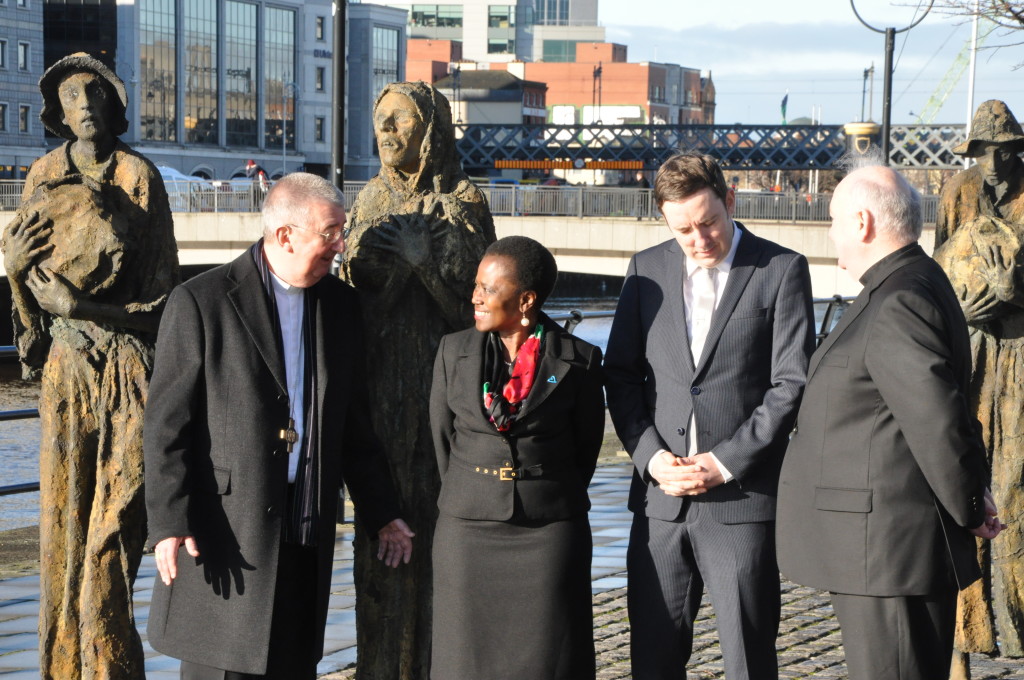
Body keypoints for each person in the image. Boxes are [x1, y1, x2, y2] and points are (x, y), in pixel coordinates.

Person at [143, 172, 414, 680]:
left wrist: (383, 511)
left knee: (293, 664)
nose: (341, 245)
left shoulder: (340, 305)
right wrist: (169, 523)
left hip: (305, 525)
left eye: (343, 231)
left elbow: (353, 425)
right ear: (286, 235)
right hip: (224, 532)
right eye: (330, 233)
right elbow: (166, 426)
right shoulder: (202, 300)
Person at [776, 163, 1006, 680]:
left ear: (861, 222)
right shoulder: (912, 282)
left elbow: (937, 419)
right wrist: (971, 489)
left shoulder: (899, 298)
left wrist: (969, 504)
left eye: (832, 219)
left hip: (888, 552)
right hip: (884, 549)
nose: (829, 232)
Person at [1, 52, 179, 679]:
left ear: (113, 101)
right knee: (61, 535)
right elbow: (32, 307)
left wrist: (86, 307)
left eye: (93, 93)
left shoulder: (138, 176)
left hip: (127, 371)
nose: (83, 106)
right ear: (57, 112)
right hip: (65, 369)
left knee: (112, 534)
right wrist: (13, 272)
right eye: (70, 98)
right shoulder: (44, 172)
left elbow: (164, 306)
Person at [604, 152, 815, 680]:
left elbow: (790, 385)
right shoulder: (645, 270)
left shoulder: (782, 269)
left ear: (731, 200)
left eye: (708, 222)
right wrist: (652, 459)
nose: (698, 240)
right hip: (660, 503)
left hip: (741, 502)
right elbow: (621, 376)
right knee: (652, 660)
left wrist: (723, 463)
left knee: (748, 660)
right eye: (682, 230)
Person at [342, 81, 495, 678]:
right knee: (381, 538)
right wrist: (402, 273)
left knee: (441, 539)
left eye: (400, 119)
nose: (387, 131)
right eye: (380, 118)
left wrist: (424, 266)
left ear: (430, 129)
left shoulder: (464, 201)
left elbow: (478, 316)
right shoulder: (369, 201)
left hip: (446, 397)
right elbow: (354, 315)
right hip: (380, 394)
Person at [429, 235, 605, 680]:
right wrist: (477, 488)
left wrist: (540, 485)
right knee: (464, 661)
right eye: (476, 285)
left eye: (488, 288)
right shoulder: (452, 351)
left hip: (548, 533)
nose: (475, 296)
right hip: (467, 530)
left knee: (550, 660)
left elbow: (585, 450)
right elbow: (442, 440)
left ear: (526, 300)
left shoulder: (579, 360)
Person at [933, 99, 1024, 676]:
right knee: (958, 483)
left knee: (1016, 492)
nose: (993, 163)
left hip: (1020, 358)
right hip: (969, 357)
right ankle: (958, 647)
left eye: (1003, 152)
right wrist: (958, 310)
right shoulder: (957, 192)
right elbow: (936, 269)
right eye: (983, 152)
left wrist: (1015, 294)